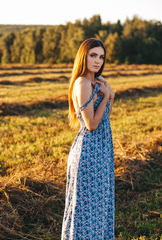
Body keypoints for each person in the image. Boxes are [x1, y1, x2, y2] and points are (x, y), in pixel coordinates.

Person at [61, 38, 115, 239]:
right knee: (86, 211)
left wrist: (109, 96)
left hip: (103, 150)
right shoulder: (82, 82)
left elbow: (105, 118)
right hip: (88, 153)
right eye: (93, 55)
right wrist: (107, 96)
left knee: (100, 207)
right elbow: (92, 124)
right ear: (84, 56)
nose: (98, 60)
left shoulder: (99, 82)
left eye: (101, 57)